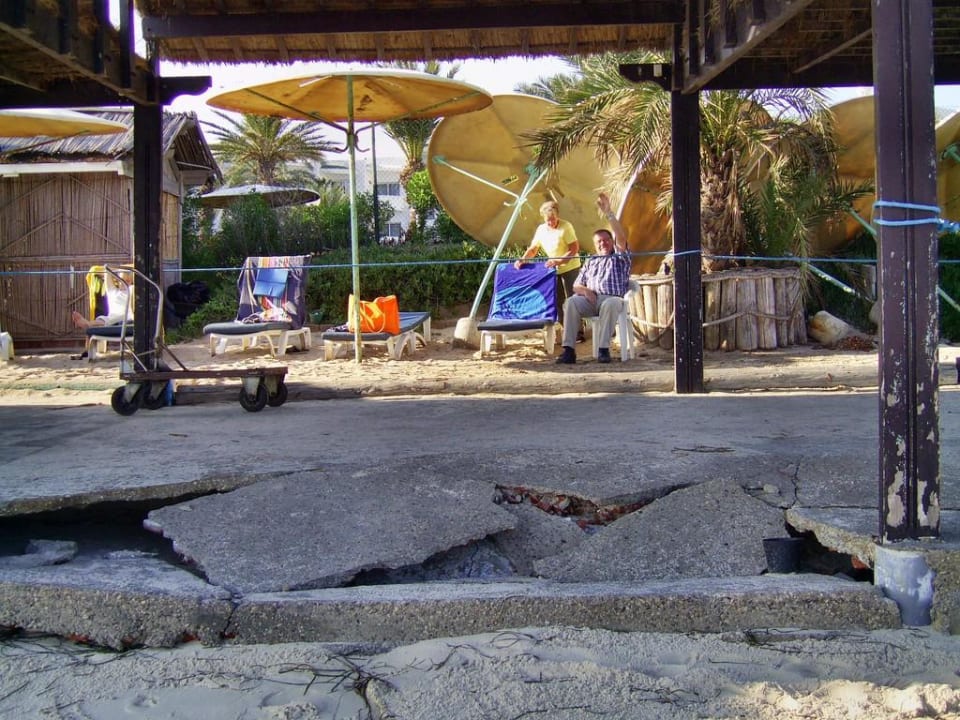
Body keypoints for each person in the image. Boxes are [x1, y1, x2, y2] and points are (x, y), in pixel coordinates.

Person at [555, 193, 630, 365]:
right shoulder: (591, 260)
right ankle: (569, 350)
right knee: (572, 302)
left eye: (605, 240)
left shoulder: (619, 257)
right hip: (591, 299)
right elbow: (576, 285)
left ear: (611, 242)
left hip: (612, 299)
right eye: (598, 242)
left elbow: (622, 238)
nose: (602, 243)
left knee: (610, 304)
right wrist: (585, 290)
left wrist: (609, 212)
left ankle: (603, 350)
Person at [514, 199, 583, 340]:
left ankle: (578, 332)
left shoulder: (566, 226)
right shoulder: (541, 229)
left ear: (557, 215)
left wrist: (559, 260)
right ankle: (566, 330)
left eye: (553, 219)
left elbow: (574, 249)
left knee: (573, 300)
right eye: (548, 220)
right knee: (557, 300)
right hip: (553, 269)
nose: (551, 222)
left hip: (570, 267)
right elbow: (533, 249)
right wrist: (523, 259)